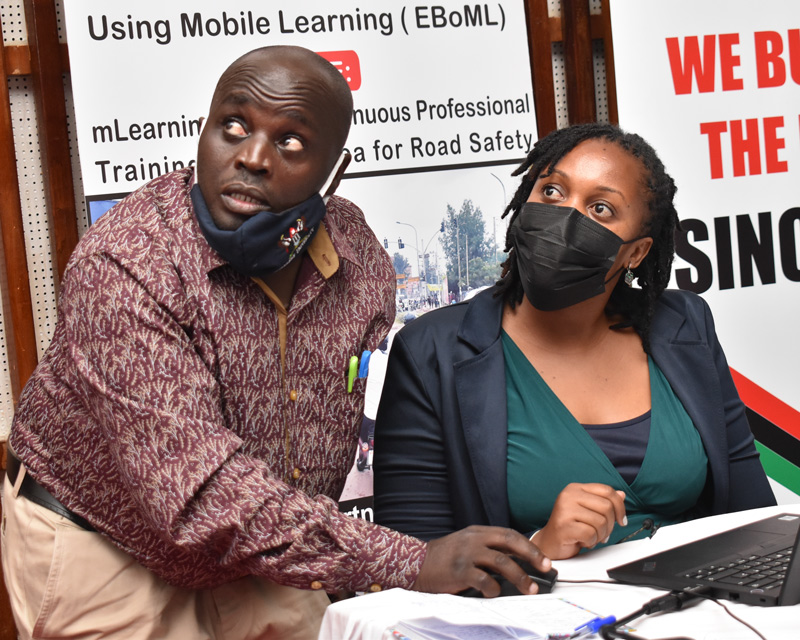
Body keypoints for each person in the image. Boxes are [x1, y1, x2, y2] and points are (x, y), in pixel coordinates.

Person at [1, 45, 550, 640]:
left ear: (333, 170)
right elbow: (197, 499)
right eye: (232, 127)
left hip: (262, 553)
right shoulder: (128, 263)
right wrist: (408, 560)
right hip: (108, 550)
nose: (253, 157)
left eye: (290, 141)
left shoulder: (358, 257)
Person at [373, 123, 776, 561]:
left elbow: (753, 515)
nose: (566, 217)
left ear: (636, 253)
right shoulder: (432, 351)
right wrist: (536, 548)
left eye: (600, 209)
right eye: (552, 192)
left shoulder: (684, 326)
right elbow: (410, 564)